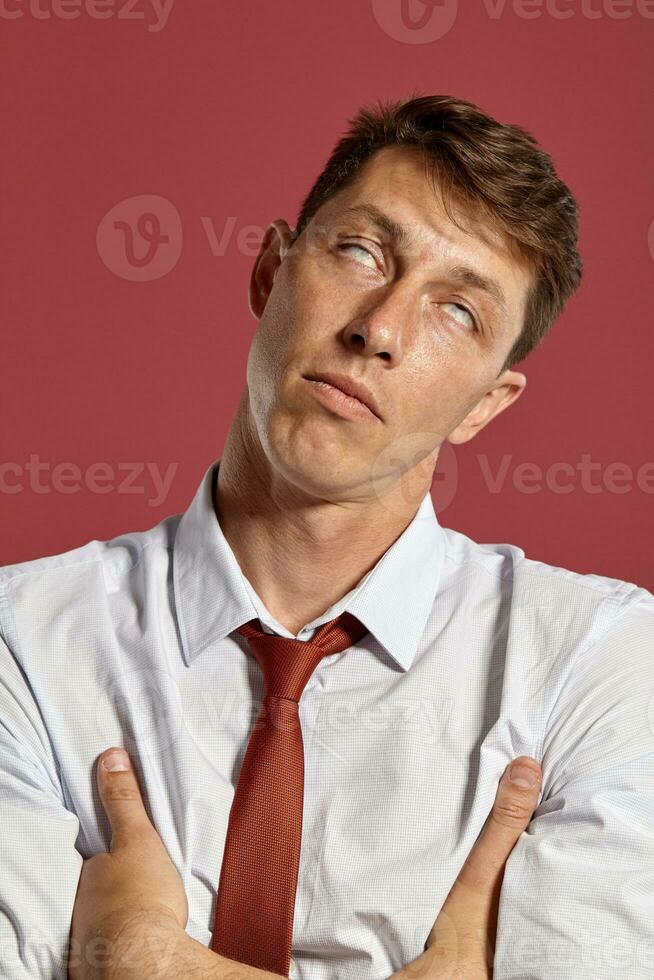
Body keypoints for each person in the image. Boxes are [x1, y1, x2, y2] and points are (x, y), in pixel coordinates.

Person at [1, 93, 652, 980]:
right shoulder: (22, 644)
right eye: (361, 252)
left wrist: (152, 965)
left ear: (486, 405)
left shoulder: (603, 664)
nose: (379, 329)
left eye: (459, 312)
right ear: (270, 272)